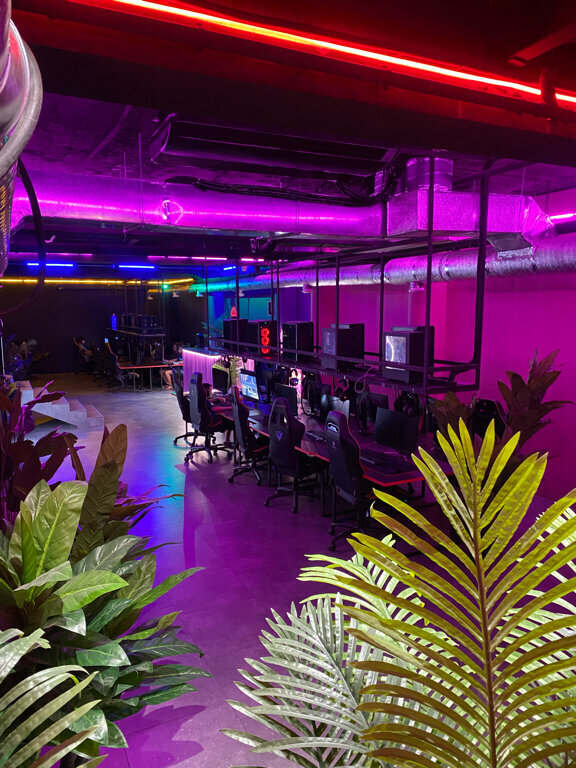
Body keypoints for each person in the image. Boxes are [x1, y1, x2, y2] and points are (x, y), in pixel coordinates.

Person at [203, 382, 232, 446]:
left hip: (203, 421)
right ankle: (229, 442)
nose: (211, 392)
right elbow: (214, 409)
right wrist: (229, 407)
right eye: (210, 391)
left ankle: (227, 440)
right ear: (206, 392)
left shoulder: (200, 398)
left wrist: (216, 398)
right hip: (210, 421)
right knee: (231, 420)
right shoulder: (205, 400)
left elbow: (207, 402)